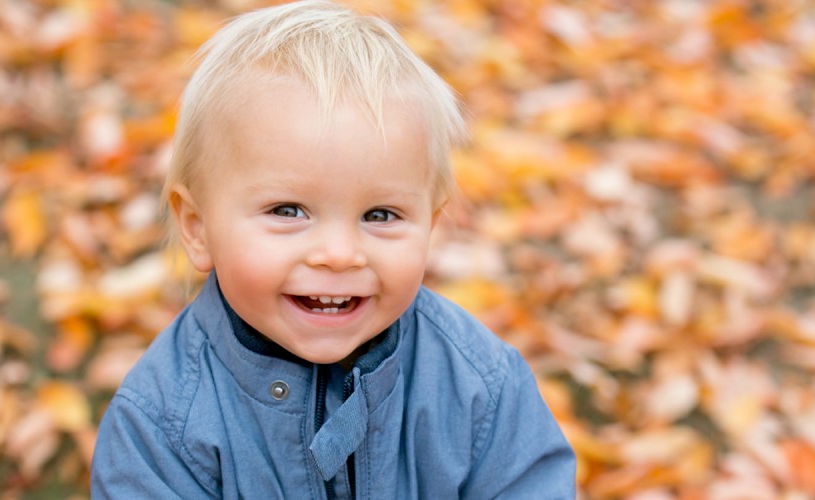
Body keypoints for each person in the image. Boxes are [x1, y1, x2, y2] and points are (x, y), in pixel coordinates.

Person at [90, 1, 576, 498]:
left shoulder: (477, 384)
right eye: (288, 211)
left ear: (430, 226)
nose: (340, 254)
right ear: (197, 228)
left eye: (380, 215)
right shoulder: (162, 423)